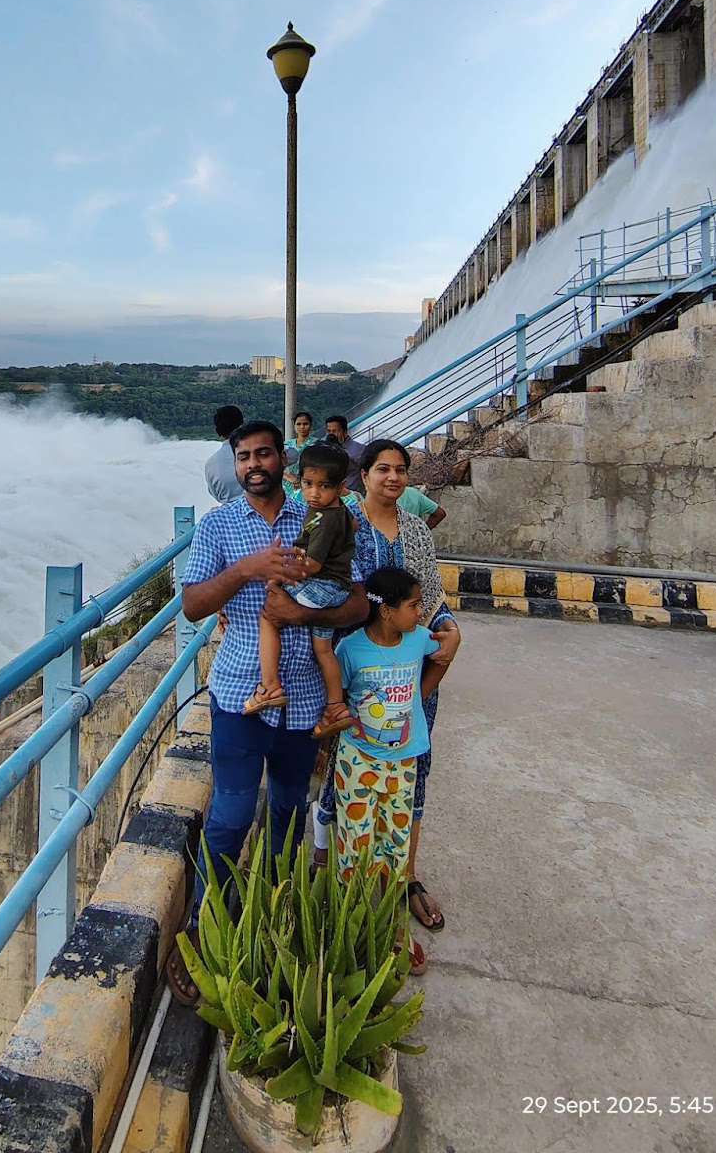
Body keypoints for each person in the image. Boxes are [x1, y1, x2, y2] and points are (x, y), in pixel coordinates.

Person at [165, 420, 368, 1005]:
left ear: (285, 457)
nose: (254, 464)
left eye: (264, 454)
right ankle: (204, 925)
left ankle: (274, 916)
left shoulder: (322, 515)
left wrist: (305, 616)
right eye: (244, 456)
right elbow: (192, 605)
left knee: (287, 810)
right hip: (237, 692)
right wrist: (245, 571)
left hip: (304, 696)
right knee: (228, 815)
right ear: (236, 464)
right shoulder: (219, 526)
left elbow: (357, 600)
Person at [338, 438, 461, 934]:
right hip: (360, 670)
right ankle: (342, 873)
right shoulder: (341, 522)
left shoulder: (415, 529)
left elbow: (430, 595)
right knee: (349, 776)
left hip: (408, 672)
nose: (393, 477)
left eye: (401, 470)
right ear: (363, 475)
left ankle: (404, 876)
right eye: (383, 469)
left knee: (411, 771)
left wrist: (450, 628)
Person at [333, 566, 451, 884]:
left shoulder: (419, 640)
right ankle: (353, 925)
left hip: (403, 762)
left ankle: (390, 929)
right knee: (355, 845)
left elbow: (445, 652)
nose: (420, 611)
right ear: (386, 610)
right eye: (412, 605)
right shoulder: (351, 649)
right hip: (357, 762)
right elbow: (338, 695)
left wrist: (419, 695)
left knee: (396, 845)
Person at [242, 444, 355, 740]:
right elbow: (349, 528)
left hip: (323, 587)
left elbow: (314, 565)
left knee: (268, 614)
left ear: (341, 487)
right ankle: (335, 708)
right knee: (323, 649)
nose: (314, 493)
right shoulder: (333, 511)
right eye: (308, 484)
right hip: (335, 586)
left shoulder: (325, 518)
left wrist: (282, 573)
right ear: (298, 480)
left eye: (324, 486)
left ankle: (269, 686)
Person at [204, 405, 245, 504]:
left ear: (218, 431)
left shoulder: (211, 464)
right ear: (242, 426)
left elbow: (215, 494)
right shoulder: (261, 454)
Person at [324, 414, 366, 494]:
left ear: (345, 432)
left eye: (335, 431)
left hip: (353, 497)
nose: (331, 434)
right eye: (329, 431)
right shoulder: (326, 449)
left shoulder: (357, 450)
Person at [282, 409, 315, 493]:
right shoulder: (287, 444)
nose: (302, 427)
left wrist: (298, 480)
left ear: (311, 426)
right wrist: (291, 478)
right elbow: (278, 463)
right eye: (298, 424)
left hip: (305, 484)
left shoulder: (316, 444)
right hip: (285, 483)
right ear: (294, 426)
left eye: (305, 424)